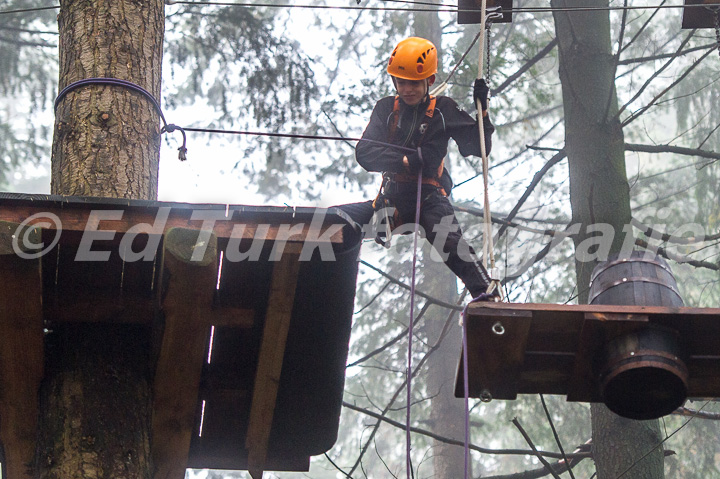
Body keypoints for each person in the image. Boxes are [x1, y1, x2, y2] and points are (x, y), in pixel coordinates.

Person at [338, 36, 499, 301]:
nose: (407, 89)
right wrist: (406, 161)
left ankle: (487, 294)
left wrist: (483, 113)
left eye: (414, 83)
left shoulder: (443, 110)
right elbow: (365, 153)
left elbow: (478, 148)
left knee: (449, 243)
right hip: (391, 198)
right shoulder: (386, 109)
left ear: (429, 81)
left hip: (429, 198)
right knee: (337, 220)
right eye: (401, 82)